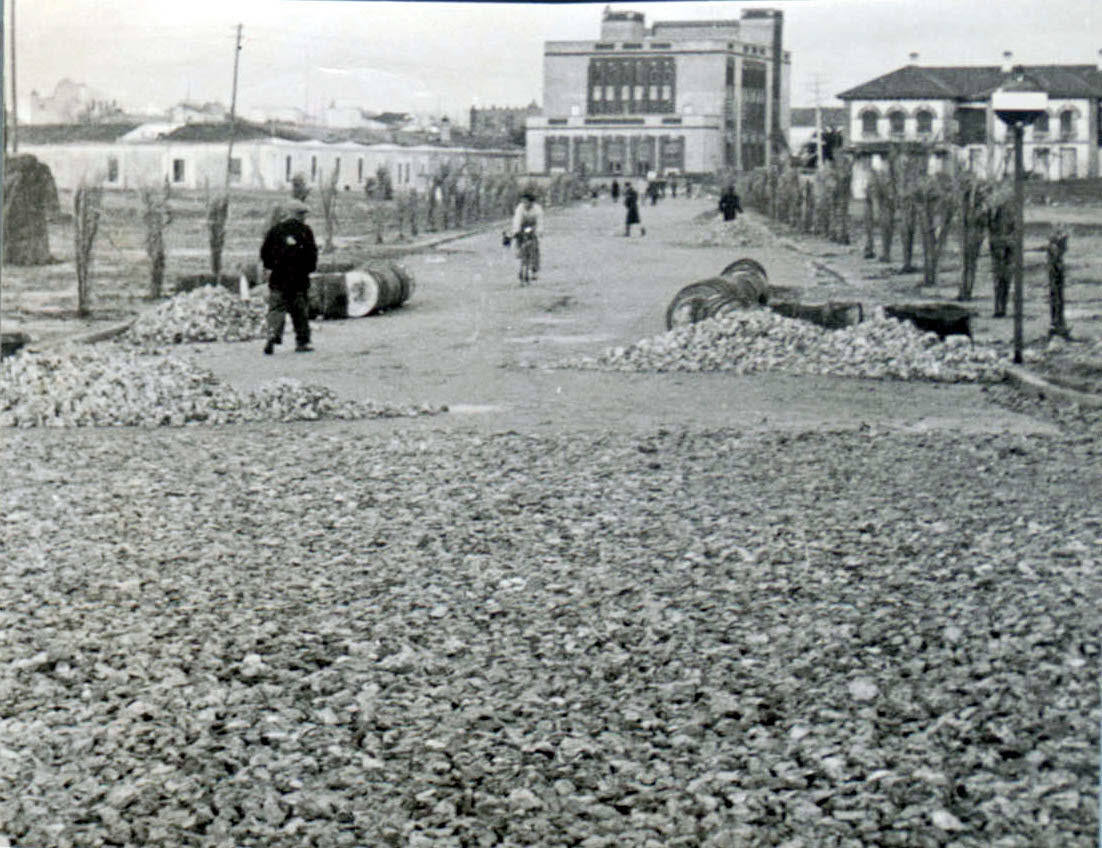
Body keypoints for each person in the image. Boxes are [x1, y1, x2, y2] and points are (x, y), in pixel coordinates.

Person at [260, 198, 318, 354]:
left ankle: (272, 336)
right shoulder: (306, 231)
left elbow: (265, 253)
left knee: (276, 309)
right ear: (298, 214)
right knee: (299, 311)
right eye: (303, 214)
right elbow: (312, 255)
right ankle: (302, 342)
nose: (305, 216)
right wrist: (309, 269)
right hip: (298, 279)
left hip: (279, 278)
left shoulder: (275, 230)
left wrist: (270, 266)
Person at [511, 190, 544, 282]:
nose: (524, 204)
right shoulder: (520, 208)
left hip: (532, 227)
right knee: (520, 244)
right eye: (523, 201)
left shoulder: (537, 209)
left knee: (534, 248)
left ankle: (534, 270)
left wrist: (539, 231)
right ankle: (521, 260)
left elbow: (540, 221)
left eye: (526, 202)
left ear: (531, 202)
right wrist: (516, 231)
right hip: (522, 226)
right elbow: (517, 220)